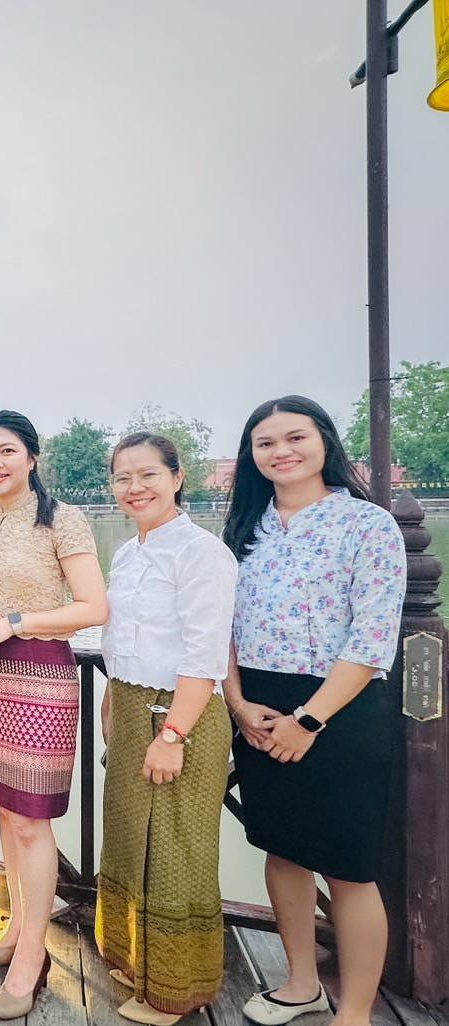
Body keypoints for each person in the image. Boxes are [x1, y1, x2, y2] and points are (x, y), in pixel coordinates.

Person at [222, 396, 405, 1026]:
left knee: (350, 867)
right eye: (265, 442)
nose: (281, 452)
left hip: (340, 707)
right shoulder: (246, 527)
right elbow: (225, 628)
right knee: (283, 850)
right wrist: (239, 703)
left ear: (324, 441)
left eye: (294, 437)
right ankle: (301, 983)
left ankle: (353, 1011)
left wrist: (309, 720)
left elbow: (371, 640)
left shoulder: (368, 524)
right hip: (258, 704)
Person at [0, 410, 107, 1020]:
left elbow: (95, 606)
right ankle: (18, 924)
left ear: (32, 457)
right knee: (7, 817)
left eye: (7, 451)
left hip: (40, 676)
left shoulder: (63, 520)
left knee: (34, 821)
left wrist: (17, 622)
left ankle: (33, 953)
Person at [95, 433, 238, 1025]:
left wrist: (174, 733)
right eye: (124, 478)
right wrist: (110, 698)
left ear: (178, 478)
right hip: (130, 707)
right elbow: (122, 639)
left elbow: (205, 654)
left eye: (148, 475)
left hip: (181, 714)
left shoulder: (200, 553)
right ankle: (135, 959)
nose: (135, 488)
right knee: (130, 837)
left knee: (175, 846)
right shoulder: (128, 554)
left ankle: (177, 988)